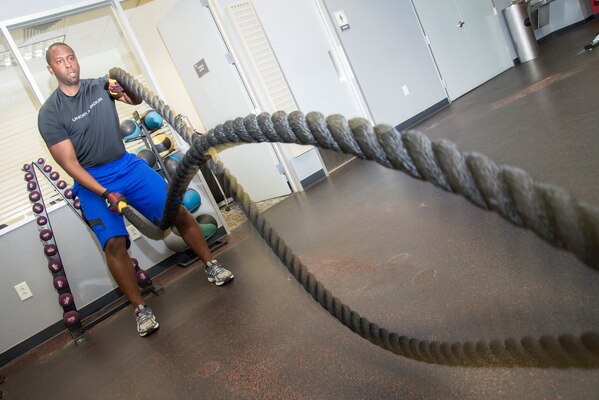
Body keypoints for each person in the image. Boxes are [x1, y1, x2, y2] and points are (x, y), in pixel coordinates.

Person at [37, 43, 234, 337]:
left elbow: (133, 99)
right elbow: (70, 164)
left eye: (71, 58)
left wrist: (125, 86)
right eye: (60, 62)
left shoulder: (100, 86)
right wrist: (104, 193)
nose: (69, 65)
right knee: (114, 244)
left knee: (177, 210)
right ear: (51, 70)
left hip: (127, 166)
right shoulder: (50, 114)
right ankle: (140, 310)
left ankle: (211, 264)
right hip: (92, 179)